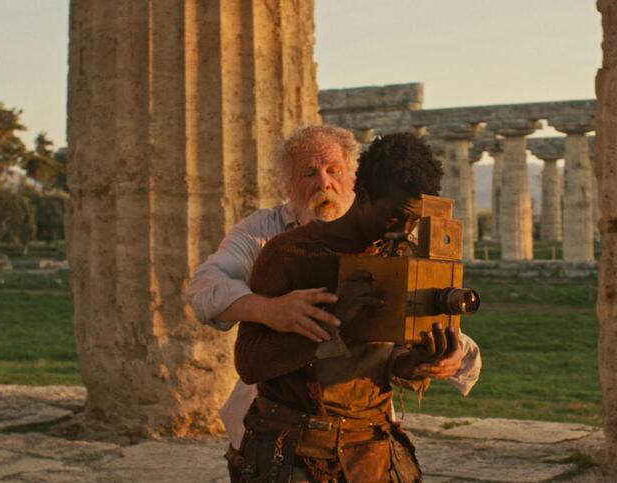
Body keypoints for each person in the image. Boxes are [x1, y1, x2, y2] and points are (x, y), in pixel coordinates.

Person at [184, 126, 482, 472]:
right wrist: (272, 310)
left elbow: (388, 350)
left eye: (333, 170)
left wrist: (424, 359)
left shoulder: (397, 247)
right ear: (288, 183)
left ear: (353, 179)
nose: (323, 183)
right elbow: (208, 291)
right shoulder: (274, 242)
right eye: (309, 173)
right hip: (289, 435)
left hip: (368, 441)